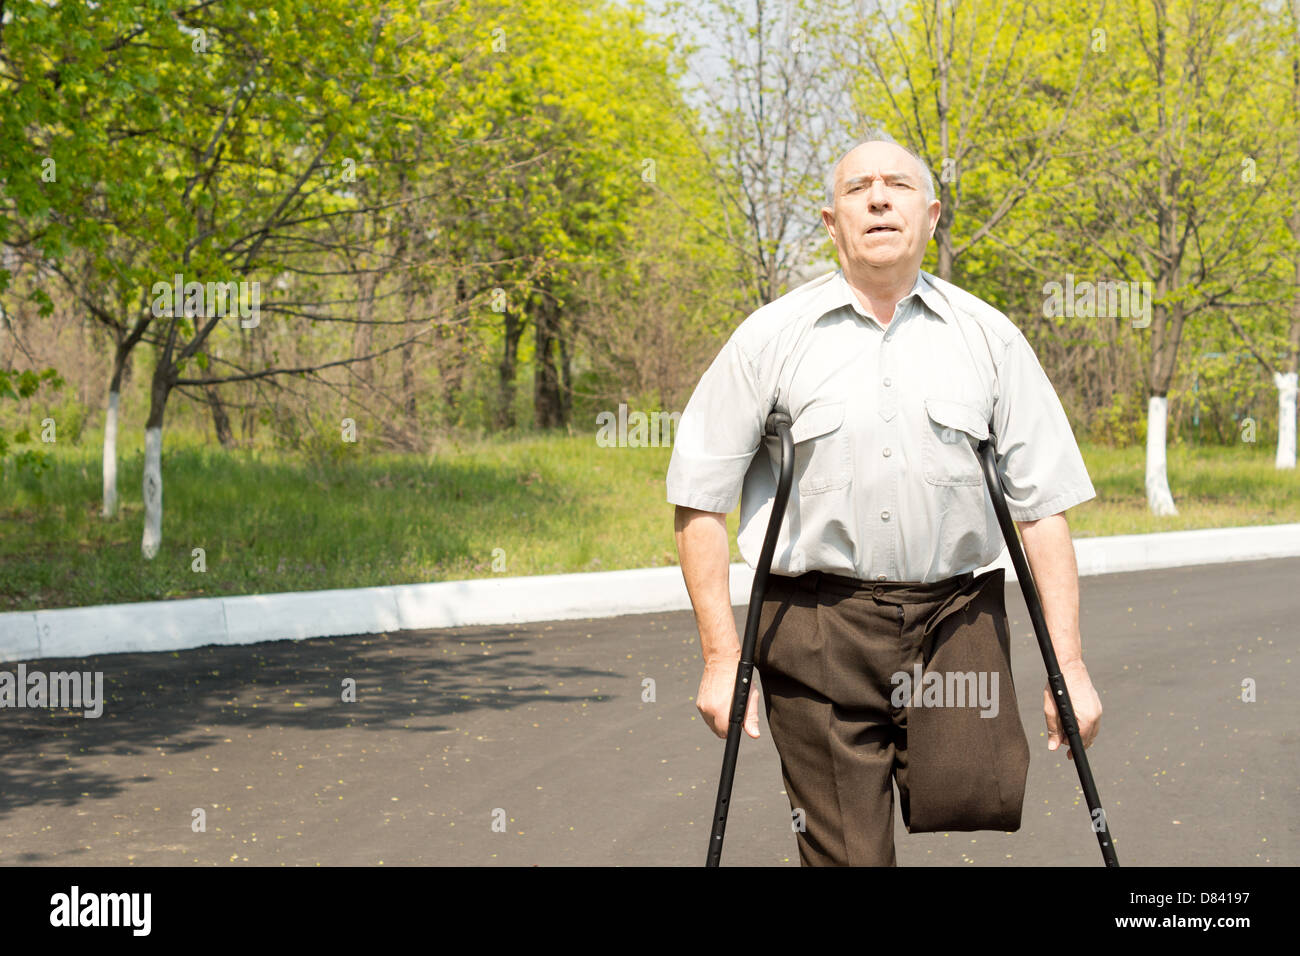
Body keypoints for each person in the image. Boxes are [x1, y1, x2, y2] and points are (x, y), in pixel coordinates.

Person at [666, 131, 1104, 866]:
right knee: (849, 855)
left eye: (897, 186)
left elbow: (1042, 510)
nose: (877, 198)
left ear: (931, 216)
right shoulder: (770, 338)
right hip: (814, 626)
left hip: (952, 618)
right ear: (832, 222)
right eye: (856, 188)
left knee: (981, 789)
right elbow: (699, 500)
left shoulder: (989, 339)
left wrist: (1071, 668)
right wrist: (721, 656)